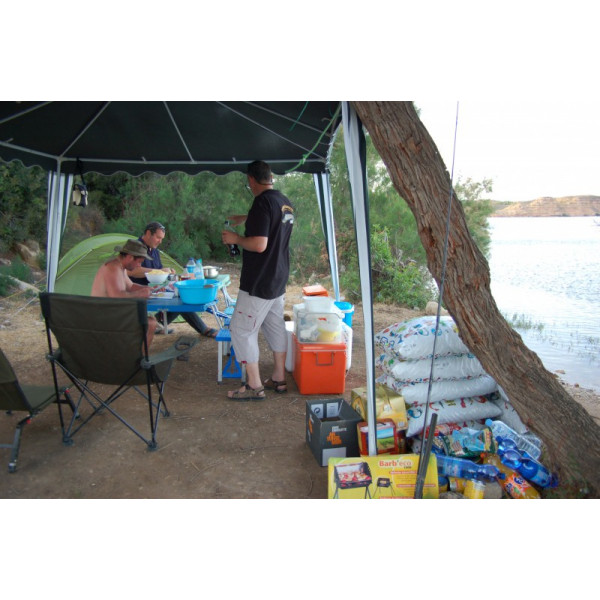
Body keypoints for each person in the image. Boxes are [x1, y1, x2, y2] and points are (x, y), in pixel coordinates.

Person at [221, 160, 294, 401]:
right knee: (274, 325)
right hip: (278, 277)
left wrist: (236, 239)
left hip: (260, 280)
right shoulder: (284, 202)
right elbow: (272, 223)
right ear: (270, 177)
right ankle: (279, 378)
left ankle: (254, 386)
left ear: (251, 180)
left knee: (241, 329)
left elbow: (260, 244)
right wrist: (247, 218)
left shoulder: (261, 202)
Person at [129, 221, 218, 338]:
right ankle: (203, 329)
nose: (160, 241)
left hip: (154, 290)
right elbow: (131, 271)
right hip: (138, 291)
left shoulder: (154, 250)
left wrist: (168, 274)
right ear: (148, 233)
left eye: (162, 239)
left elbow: (158, 273)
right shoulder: (135, 247)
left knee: (179, 295)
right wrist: (158, 272)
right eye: (158, 238)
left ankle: (157, 323)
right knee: (180, 301)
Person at [90, 239, 158, 346]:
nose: (139, 266)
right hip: (104, 318)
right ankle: (137, 356)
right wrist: (140, 294)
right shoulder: (113, 267)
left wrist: (149, 289)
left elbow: (130, 286)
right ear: (130, 257)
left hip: (112, 313)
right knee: (150, 323)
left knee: (150, 320)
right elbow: (116, 296)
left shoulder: (121, 266)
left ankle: (133, 353)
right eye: (139, 262)